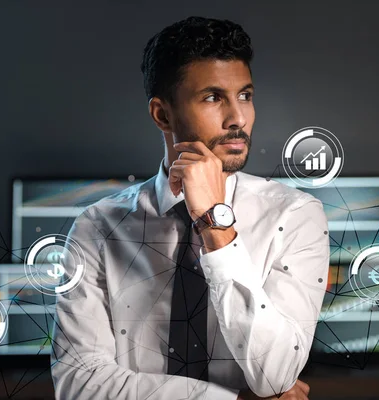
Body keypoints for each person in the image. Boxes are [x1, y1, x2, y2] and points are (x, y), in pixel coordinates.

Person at [50, 16, 329, 400]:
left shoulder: (296, 216)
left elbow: (276, 375)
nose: (238, 118)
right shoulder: (96, 228)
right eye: (214, 97)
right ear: (163, 115)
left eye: (245, 95)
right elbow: (80, 386)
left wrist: (215, 223)